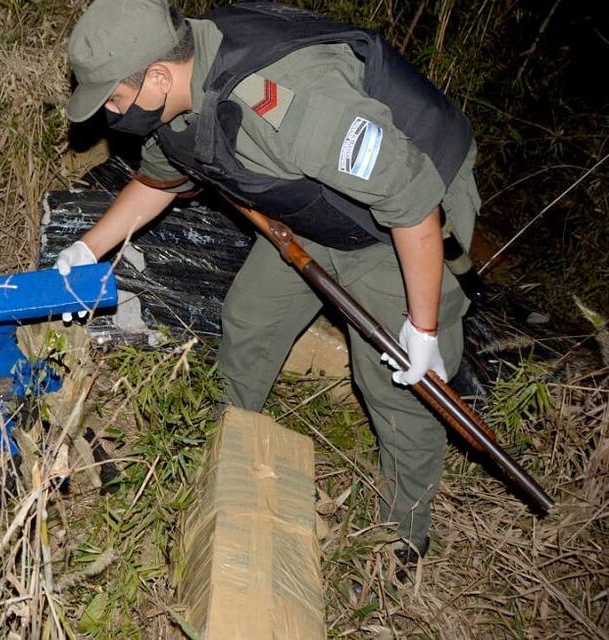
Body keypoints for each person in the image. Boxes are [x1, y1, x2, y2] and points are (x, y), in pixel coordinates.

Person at [56, 0, 481, 572]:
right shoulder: (178, 96)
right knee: (250, 316)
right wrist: (86, 249)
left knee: (395, 385)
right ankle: (226, 438)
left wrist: (423, 327)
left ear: (157, 75)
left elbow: (410, 198)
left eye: (113, 98)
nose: (110, 113)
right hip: (317, 206)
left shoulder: (284, 101)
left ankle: (403, 539)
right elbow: (159, 179)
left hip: (404, 223)